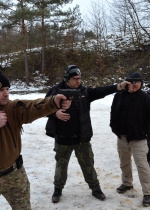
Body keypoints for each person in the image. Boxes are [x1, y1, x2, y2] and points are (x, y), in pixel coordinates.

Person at [45, 65, 129, 203]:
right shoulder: (55, 91)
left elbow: (101, 91)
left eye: (80, 78)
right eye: (75, 79)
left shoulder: (84, 91)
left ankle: (96, 189)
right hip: (63, 138)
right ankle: (57, 190)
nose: (79, 81)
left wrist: (118, 86)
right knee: (61, 166)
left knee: (88, 165)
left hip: (82, 138)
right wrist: (55, 114)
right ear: (67, 78)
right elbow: (42, 108)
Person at [0, 73, 71, 210]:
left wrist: (53, 102)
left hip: (13, 176)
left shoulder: (12, 108)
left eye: (7, 89)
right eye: (1, 90)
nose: (6, 94)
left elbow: (32, 107)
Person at [110, 71, 150, 207]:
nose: (134, 84)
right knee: (124, 162)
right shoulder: (119, 96)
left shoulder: (146, 98)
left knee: (142, 165)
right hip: (122, 136)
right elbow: (113, 112)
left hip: (139, 138)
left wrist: (143, 132)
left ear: (141, 84)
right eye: (132, 82)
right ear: (127, 83)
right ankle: (127, 183)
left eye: (137, 82)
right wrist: (114, 126)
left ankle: (148, 192)